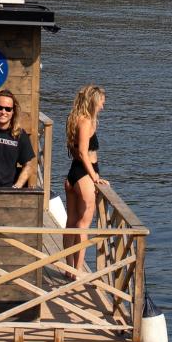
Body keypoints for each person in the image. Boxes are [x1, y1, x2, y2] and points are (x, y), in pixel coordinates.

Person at [63, 84, 107, 275]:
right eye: (101, 103)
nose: (103, 107)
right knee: (83, 224)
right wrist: (94, 176)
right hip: (83, 174)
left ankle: (68, 267)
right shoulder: (86, 121)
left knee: (71, 221)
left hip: (73, 174)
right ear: (94, 102)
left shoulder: (75, 119)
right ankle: (78, 270)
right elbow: (82, 152)